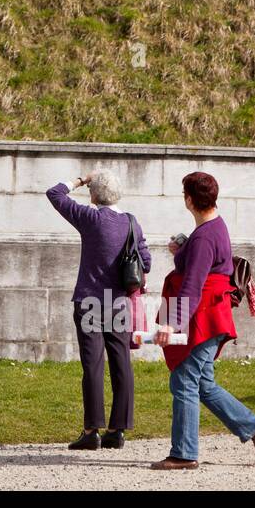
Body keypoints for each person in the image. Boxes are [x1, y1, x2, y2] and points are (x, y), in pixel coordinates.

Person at [150, 171, 255, 470]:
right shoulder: (212, 227)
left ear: (189, 200)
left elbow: (192, 284)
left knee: (183, 380)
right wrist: (182, 251)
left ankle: (184, 453)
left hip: (203, 317)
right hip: (210, 315)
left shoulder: (205, 236)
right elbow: (200, 267)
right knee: (202, 382)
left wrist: (172, 323)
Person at [47, 170, 151, 450]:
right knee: (121, 365)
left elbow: (54, 193)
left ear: (94, 196)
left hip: (90, 300)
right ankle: (117, 431)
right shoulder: (131, 222)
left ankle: (92, 430)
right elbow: (146, 262)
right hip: (119, 302)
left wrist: (81, 179)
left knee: (92, 366)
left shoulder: (90, 218)